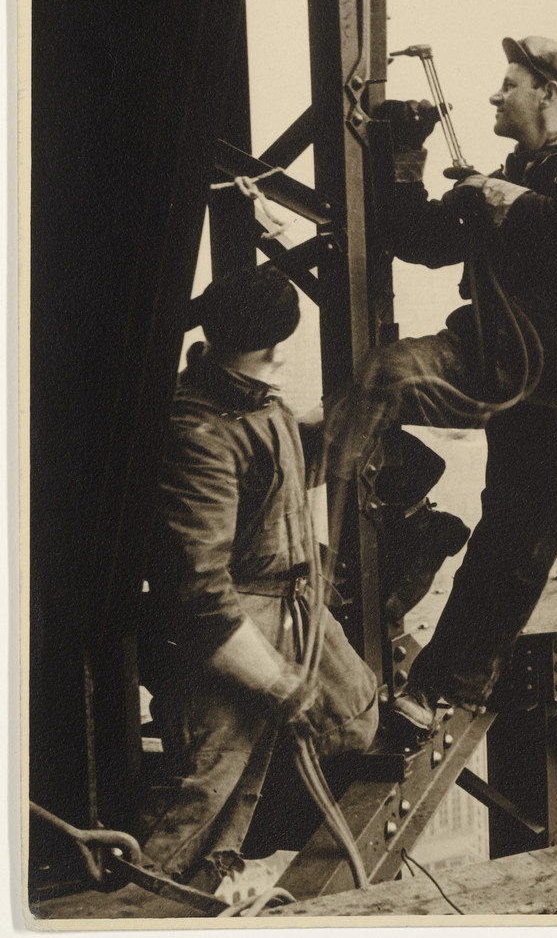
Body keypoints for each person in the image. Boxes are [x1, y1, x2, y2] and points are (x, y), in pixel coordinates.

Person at [335, 35, 557, 741]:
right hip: (497, 365)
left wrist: (493, 193)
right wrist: (404, 158)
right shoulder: (506, 176)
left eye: (509, 84)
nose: (494, 96)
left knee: (511, 543)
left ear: (549, 95)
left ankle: (445, 685)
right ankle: (403, 497)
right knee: (384, 375)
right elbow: (418, 237)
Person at [136, 262, 378, 895]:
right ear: (257, 344)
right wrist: (273, 682)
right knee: (205, 796)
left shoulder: (254, 399)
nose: (280, 357)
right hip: (238, 620)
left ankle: (249, 849)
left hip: (295, 606)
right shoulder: (198, 433)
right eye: (272, 348)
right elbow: (202, 593)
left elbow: (281, 475)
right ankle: (139, 903)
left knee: (353, 717)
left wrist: (359, 416)